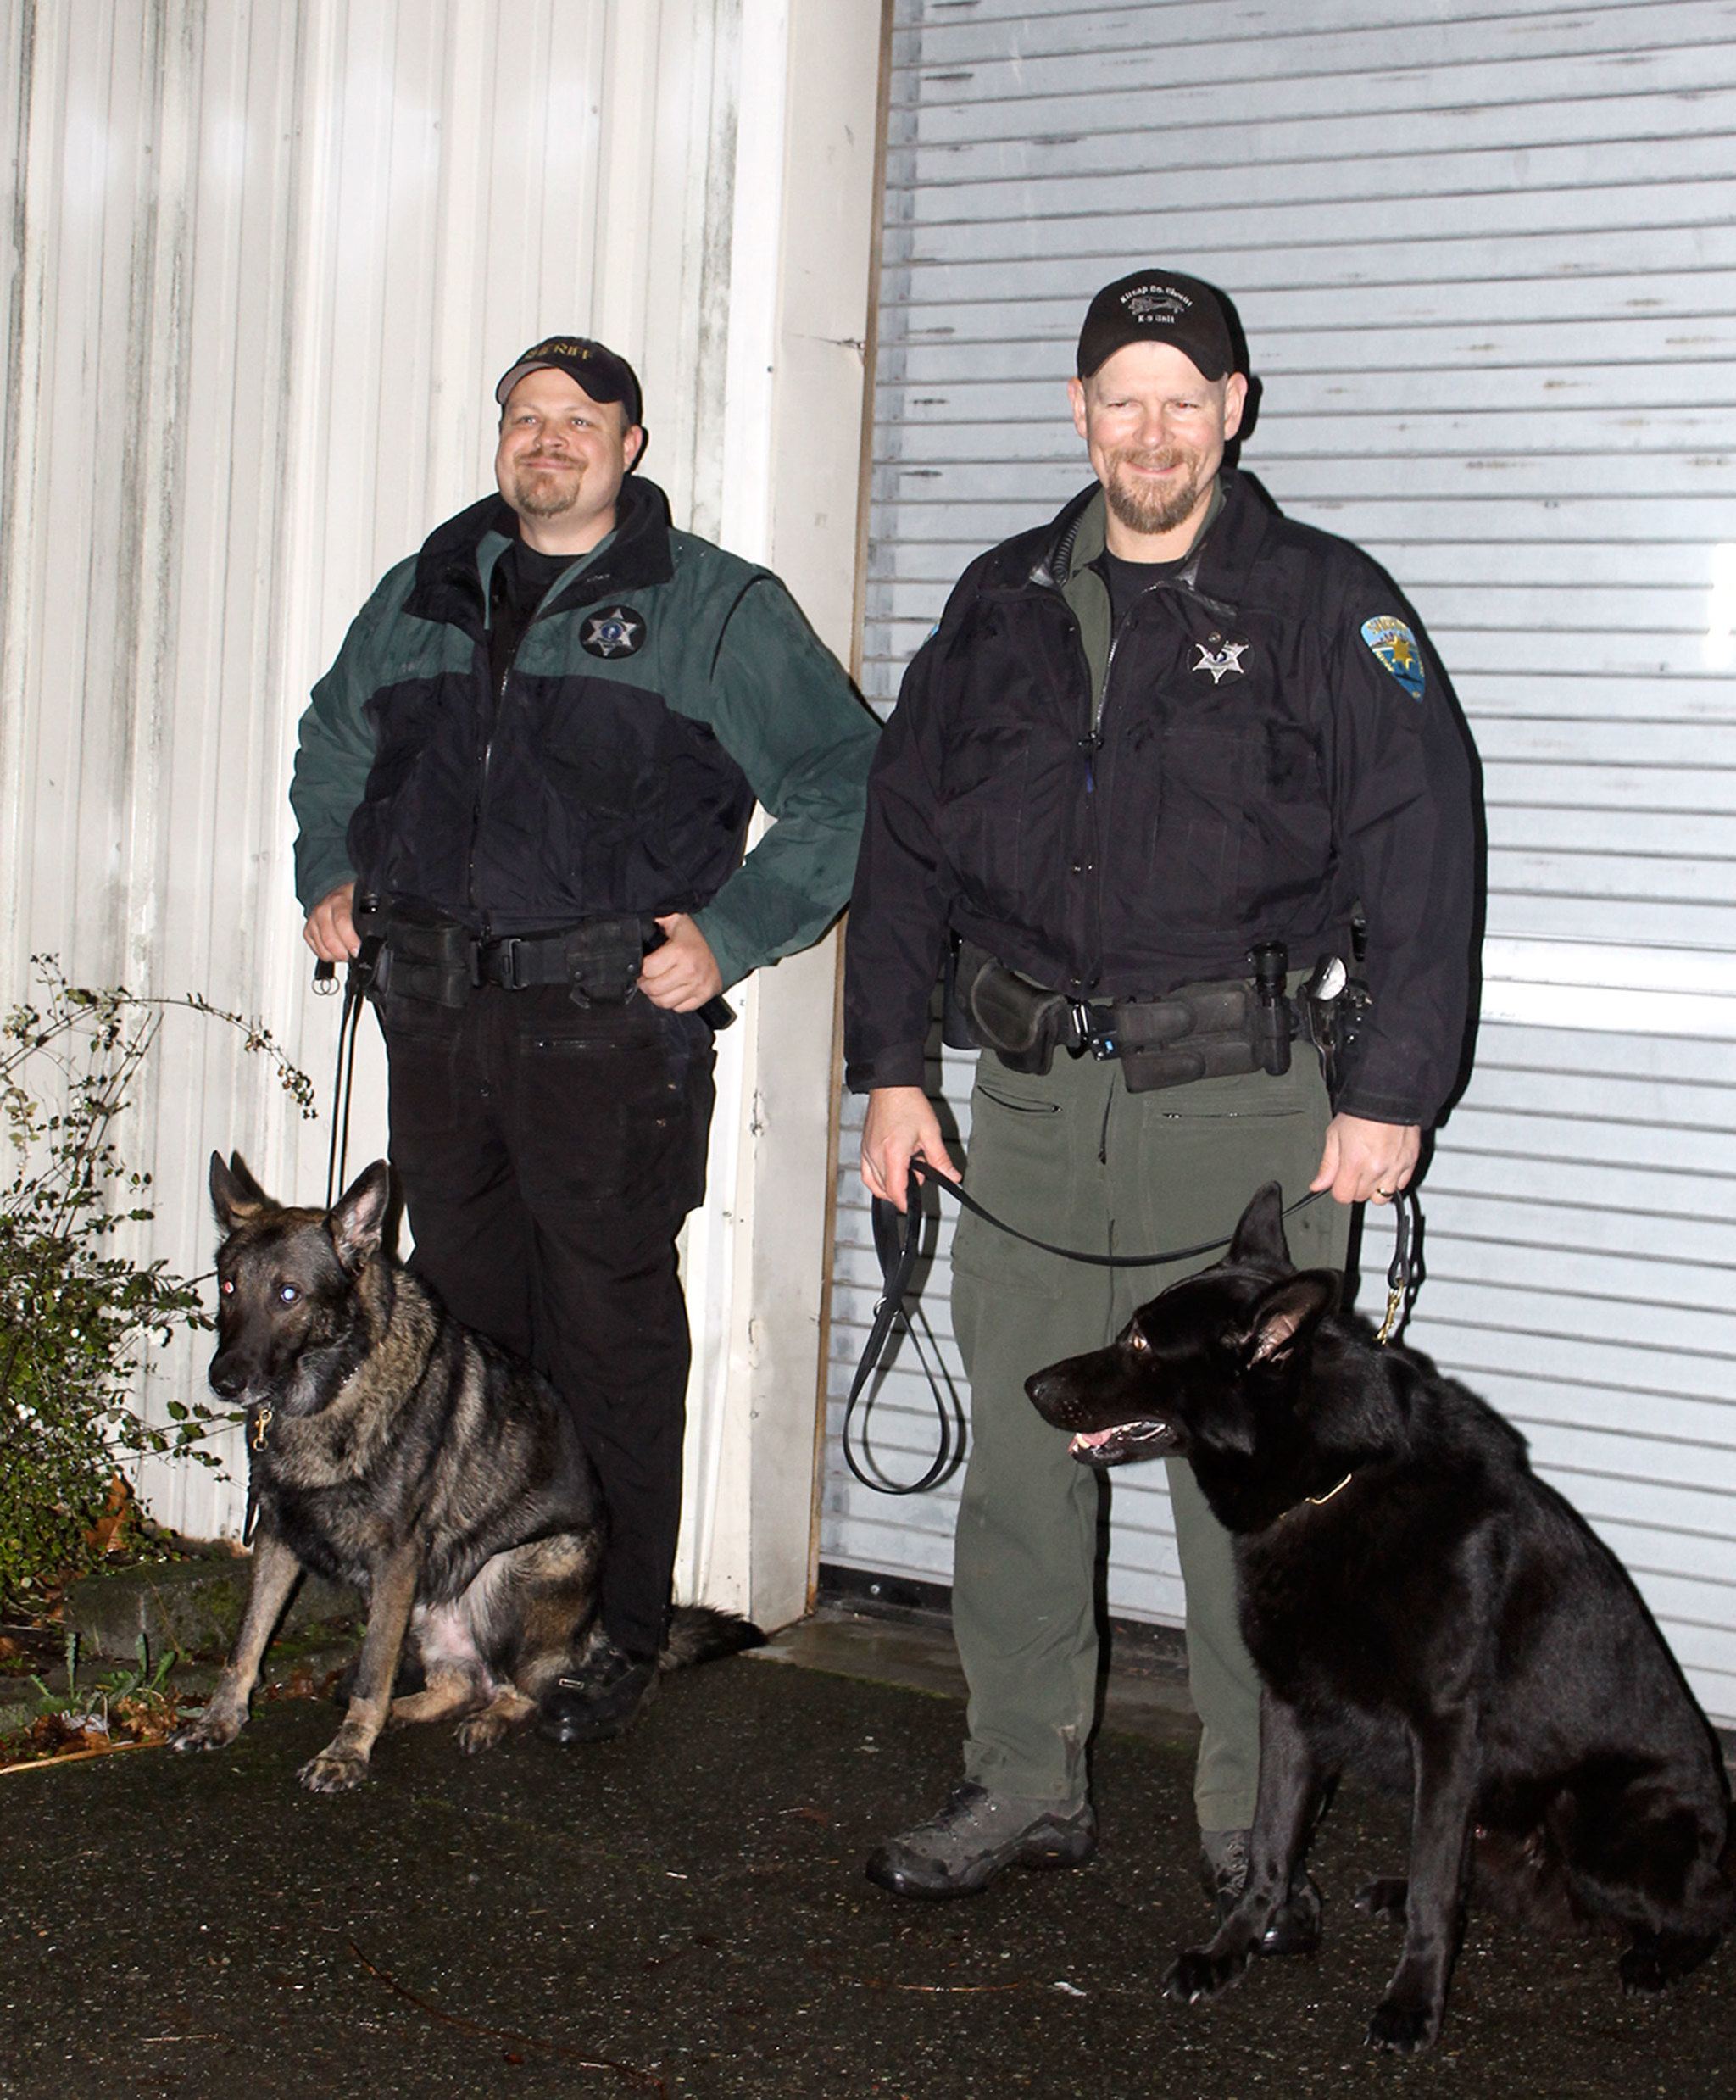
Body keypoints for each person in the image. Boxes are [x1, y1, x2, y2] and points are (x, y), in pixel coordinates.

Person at [843, 270, 1475, 1928]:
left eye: (1180, 399)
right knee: (1020, 1471)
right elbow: (900, 852)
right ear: (1077, 413)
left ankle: (1243, 1830)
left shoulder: (1326, 604)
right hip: (1037, 1106)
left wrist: (1392, 1091)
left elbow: (1423, 853)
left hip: (1247, 1119)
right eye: (1119, 398)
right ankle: (1022, 1784)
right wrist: (891, 1076)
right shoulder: (995, 609)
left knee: (1247, 1497)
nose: (1149, 431)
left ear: (1234, 409)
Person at [292, 334, 878, 1743]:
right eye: (523, 417)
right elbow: (331, 736)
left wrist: (730, 935)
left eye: (578, 419)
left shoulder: (711, 608)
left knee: (608, 1331)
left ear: (631, 444)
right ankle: (468, 1618)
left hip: (604, 1033)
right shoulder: (430, 591)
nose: (545, 440)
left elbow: (849, 775)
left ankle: (615, 1630)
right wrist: (331, 866)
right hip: (438, 1015)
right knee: (466, 1334)